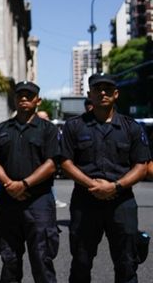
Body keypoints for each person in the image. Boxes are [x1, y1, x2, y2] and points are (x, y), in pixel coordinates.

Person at [59, 73, 150, 282]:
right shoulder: (74, 126)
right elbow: (65, 162)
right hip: (85, 201)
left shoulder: (132, 127)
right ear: (89, 93)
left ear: (116, 94)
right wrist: (92, 185)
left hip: (122, 202)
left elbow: (141, 166)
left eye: (108, 89)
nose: (102, 92)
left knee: (127, 263)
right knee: (81, 263)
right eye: (97, 89)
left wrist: (115, 187)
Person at [0, 81, 60, 283]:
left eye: (29, 95)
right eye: (20, 95)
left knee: (42, 259)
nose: (24, 99)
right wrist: (8, 184)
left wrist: (25, 184)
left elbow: (52, 163)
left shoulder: (48, 130)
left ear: (38, 100)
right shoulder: (2, 129)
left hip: (38, 202)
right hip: (8, 201)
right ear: (15, 99)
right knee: (9, 259)